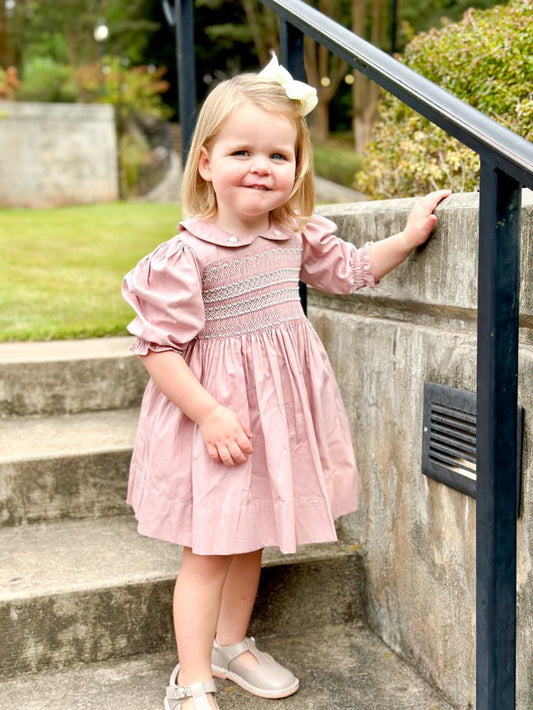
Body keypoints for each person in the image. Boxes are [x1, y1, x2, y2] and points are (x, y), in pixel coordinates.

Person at [122, 53, 450, 710]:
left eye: (279, 156)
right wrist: (210, 414)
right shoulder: (188, 256)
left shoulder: (294, 237)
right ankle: (191, 679)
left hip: (274, 417)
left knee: (250, 533)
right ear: (206, 162)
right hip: (214, 419)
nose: (261, 167)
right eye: (241, 151)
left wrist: (408, 235)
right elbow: (158, 349)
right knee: (210, 548)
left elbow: (353, 269)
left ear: (297, 168)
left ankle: (230, 644)